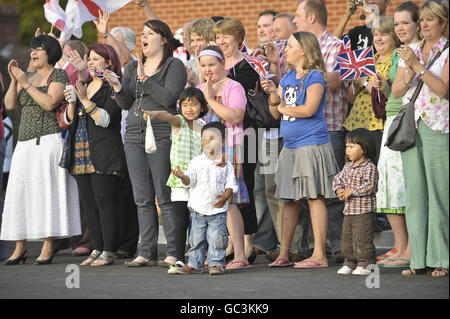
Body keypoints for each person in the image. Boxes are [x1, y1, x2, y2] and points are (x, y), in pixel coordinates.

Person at [107, 19, 187, 268]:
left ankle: (174, 251)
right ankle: (146, 250)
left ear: (163, 39)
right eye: (142, 33)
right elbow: (125, 103)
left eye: (149, 33)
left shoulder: (174, 66)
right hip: (133, 136)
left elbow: (168, 98)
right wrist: (119, 86)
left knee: (165, 197)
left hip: (162, 135)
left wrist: (146, 79)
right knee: (142, 198)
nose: (144, 37)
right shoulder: (132, 67)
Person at [261, 31, 339, 269]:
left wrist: (282, 107)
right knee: (289, 199)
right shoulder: (286, 78)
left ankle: (319, 255)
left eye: (290, 45)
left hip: (311, 144)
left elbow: (308, 110)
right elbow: (277, 114)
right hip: (290, 145)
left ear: (303, 50)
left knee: (314, 197)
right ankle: (283, 253)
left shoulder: (315, 77)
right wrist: (273, 100)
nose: (285, 49)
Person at [1, 34, 81, 265]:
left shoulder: (58, 74)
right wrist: (15, 79)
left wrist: (26, 83)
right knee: (20, 193)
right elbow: (9, 105)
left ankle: (48, 245)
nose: (33, 53)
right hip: (24, 144)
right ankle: (20, 247)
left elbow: (49, 103)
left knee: (47, 194)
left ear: (50, 53)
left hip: (48, 141)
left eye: (39, 49)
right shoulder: (29, 76)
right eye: (32, 49)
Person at [392, 0, 449, 277]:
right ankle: (418, 259)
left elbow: (443, 90)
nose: (424, 24)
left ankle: (442, 258)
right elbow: (395, 91)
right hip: (411, 126)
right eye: (422, 19)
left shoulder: (447, 50)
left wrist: (419, 67)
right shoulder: (410, 50)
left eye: (431, 20)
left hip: (439, 126)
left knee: (439, 195)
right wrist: (410, 70)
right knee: (414, 194)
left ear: (443, 23)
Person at [293, 0, 348, 261]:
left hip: (330, 128)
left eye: (298, 16)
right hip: (301, 132)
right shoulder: (296, 48)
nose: (295, 21)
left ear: (312, 17)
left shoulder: (336, 46)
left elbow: (336, 80)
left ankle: (339, 247)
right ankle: (316, 247)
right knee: (307, 192)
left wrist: (307, 76)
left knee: (333, 192)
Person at [62, 44, 125, 266]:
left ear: (108, 63)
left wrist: (85, 100)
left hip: (104, 152)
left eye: (97, 59)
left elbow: (105, 120)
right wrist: (72, 100)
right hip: (80, 150)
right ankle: (97, 248)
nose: (91, 62)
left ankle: (109, 250)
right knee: (89, 205)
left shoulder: (113, 87)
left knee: (104, 202)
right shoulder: (84, 84)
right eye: (90, 58)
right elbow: (69, 121)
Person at [196, 45, 253, 270]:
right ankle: (217, 251)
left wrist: (210, 100)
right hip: (206, 152)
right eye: (203, 65)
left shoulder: (234, 87)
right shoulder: (200, 88)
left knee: (229, 202)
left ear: (222, 64)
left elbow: (236, 116)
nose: (208, 69)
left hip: (230, 149)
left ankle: (240, 254)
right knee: (211, 201)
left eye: (212, 64)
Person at [374, 1, 421, 268]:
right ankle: (400, 245)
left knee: (406, 186)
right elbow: (395, 89)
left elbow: (403, 90)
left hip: (409, 119)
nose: (400, 28)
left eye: (405, 23)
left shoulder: (416, 52)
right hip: (392, 119)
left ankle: (412, 247)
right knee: (390, 186)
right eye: (398, 24)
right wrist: (386, 84)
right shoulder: (401, 53)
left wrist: (394, 87)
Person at [142, 87, 207, 271]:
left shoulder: (203, 125)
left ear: (202, 107)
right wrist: (155, 114)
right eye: (185, 105)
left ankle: (198, 257)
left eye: (194, 104)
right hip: (179, 182)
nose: (189, 109)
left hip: (199, 183)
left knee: (199, 222)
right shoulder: (179, 123)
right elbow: (167, 116)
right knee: (181, 221)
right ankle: (179, 258)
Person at [213, 18, 259, 266]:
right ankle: (233, 241)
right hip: (223, 135)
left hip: (249, 132)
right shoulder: (215, 65)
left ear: (238, 39)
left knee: (246, 186)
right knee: (227, 187)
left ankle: (248, 242)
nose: (221, 42)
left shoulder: (249, 66)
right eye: (218, 38)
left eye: (226, 37)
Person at [169, 121, 238, 275]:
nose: (207, 141)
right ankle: (194, 263)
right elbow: (190, 180)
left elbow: (231, 184)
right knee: (196, 239)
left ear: (224, 141)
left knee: (217, 239)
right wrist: (182, 177)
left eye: (212, 138)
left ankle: (216, 263)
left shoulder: (226, 164)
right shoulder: (195, 162)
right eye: (204, 138)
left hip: (217, 210)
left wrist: (226, 196)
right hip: (198, 209)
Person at [343, 16, 399, 166]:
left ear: (394, 36)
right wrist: (354, 81)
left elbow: (385, 94)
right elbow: (350, 97)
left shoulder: (396, 60)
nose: (378, 39)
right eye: (375, 35)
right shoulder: (368, 59)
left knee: (375, 173)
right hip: (355, 125)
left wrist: (363, 81)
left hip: (377, 126)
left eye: (383, 34)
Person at [333, 128, 378, 275]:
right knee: (347, 238)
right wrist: (339, 189)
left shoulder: (369, 167)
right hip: (349, 211)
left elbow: (370, 185)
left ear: (364, 149)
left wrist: (352, 190)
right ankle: (349, 262)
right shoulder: (347, 167)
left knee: (362, 238)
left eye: (352, 147)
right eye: (346, 146)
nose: (348, 150)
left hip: (363, 211)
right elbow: (338, 179)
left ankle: (366, 263)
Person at [185, 18, 216, 87]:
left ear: (210, 40)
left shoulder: (222, 63)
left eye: (199, 40)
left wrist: (197, 82)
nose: (195, 44)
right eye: (192, 40)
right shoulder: (189, 65)